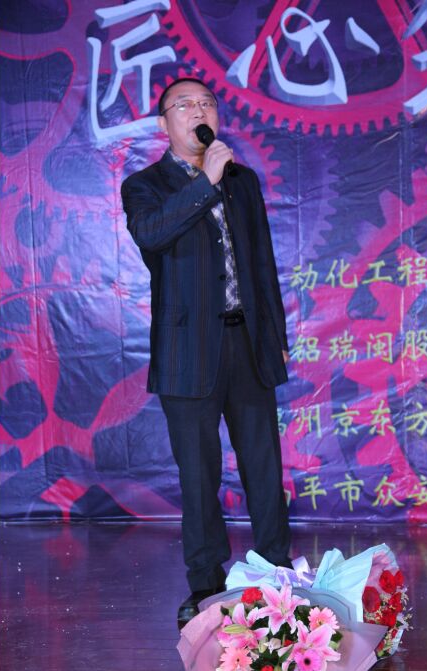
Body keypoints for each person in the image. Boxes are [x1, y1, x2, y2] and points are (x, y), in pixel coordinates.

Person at [121, 78, 292, 629]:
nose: (199, 111)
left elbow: (261, 265)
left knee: (264, 467)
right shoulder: (144, 185)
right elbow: (153, 235)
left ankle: (277, 578)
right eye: (186, 104)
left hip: (247, 344)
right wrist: (204, 182)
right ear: (164, 123)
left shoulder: (243, 181)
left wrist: (274, 337)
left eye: (207, 103)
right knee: (199, 475)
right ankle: (206, 587)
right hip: (187, 351)